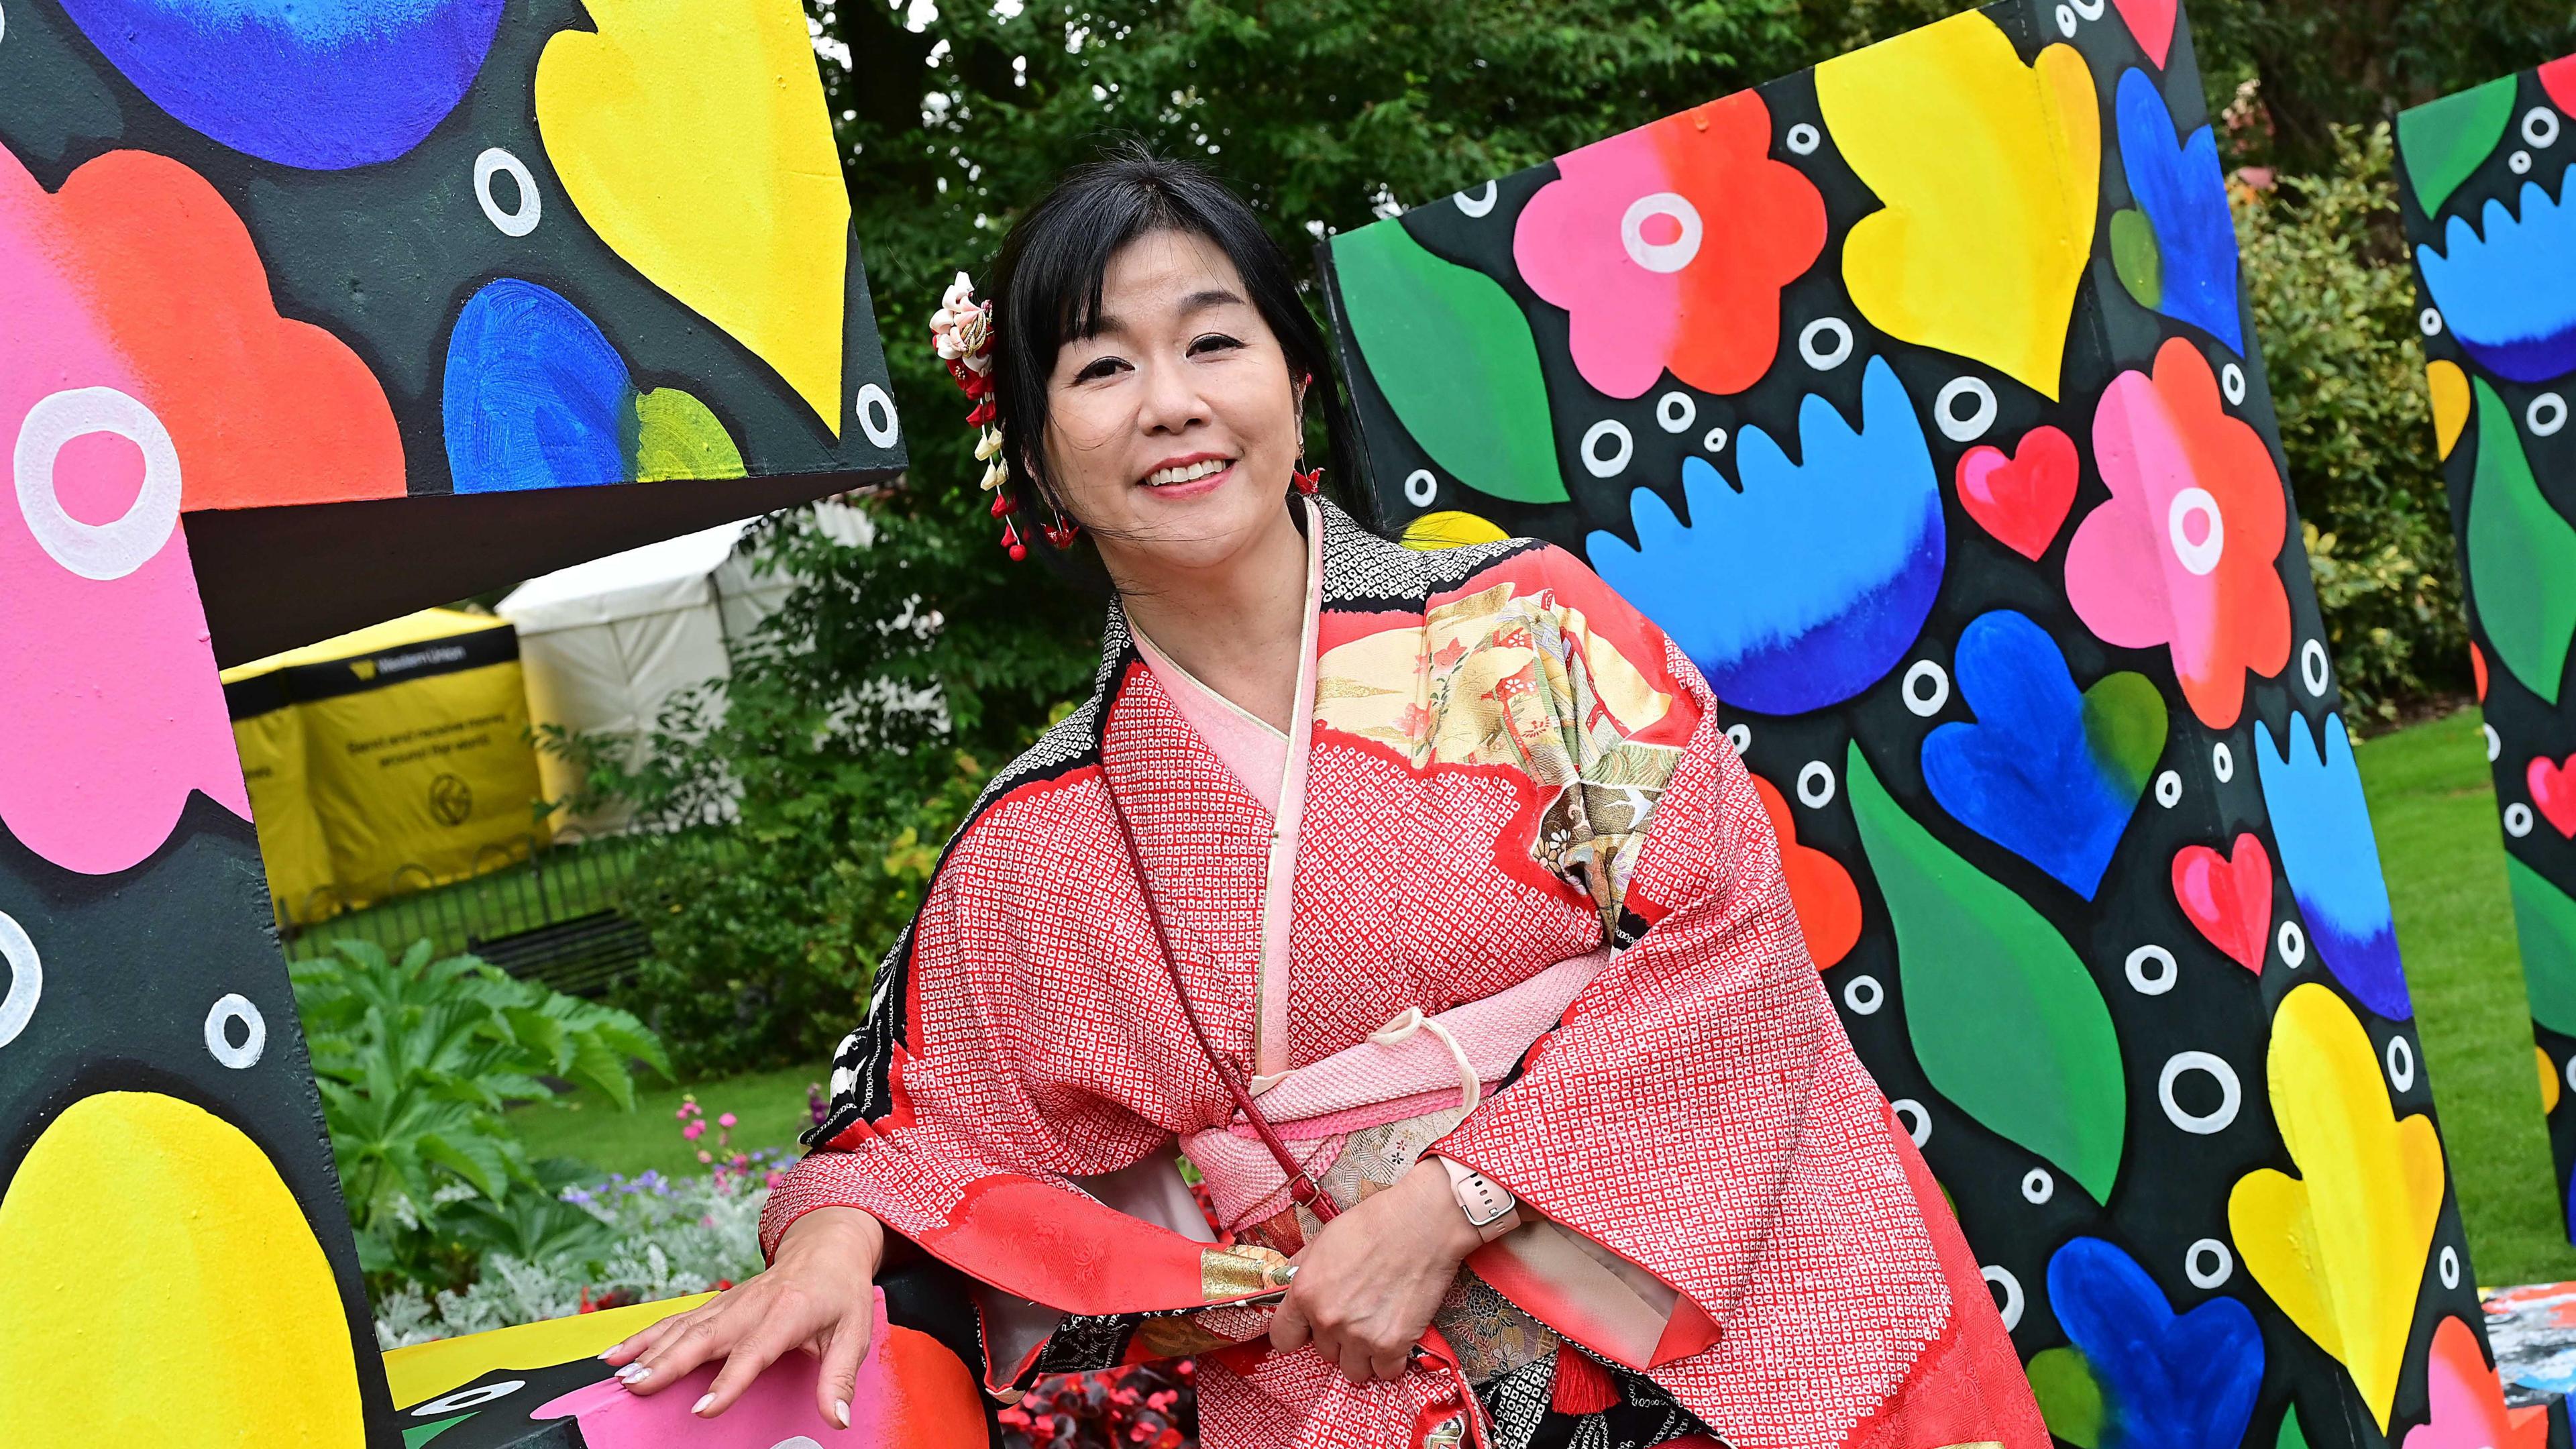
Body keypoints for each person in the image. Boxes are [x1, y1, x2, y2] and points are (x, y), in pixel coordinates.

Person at [601, 146, 2047, 1449]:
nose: (1171, 404)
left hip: (1747, 1339)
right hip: (1354, 1394)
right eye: (1100, 369)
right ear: (1036, 451)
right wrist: (828, 1247)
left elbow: (1728, 936)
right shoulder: (1034, 835)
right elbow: (911, 1127)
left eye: (1213, 343)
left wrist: (1449, 1203)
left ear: (1291, 384)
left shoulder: (1525, 629)